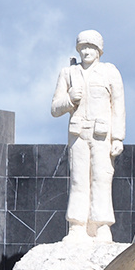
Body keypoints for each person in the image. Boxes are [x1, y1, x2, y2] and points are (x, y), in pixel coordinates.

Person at [51, 30, 125, 243]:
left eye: (91, 47)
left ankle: (101, 225)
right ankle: (77, 225)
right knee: (78, 179)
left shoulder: (110, 73)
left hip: (102, 134)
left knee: (102, 177)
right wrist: (69, 100)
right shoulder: (68, 73)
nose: (86, 51)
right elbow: (55, 108)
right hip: (78, 134)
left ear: (99, 50)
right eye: (82, 47)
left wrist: (118, 137)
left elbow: (118, 106)